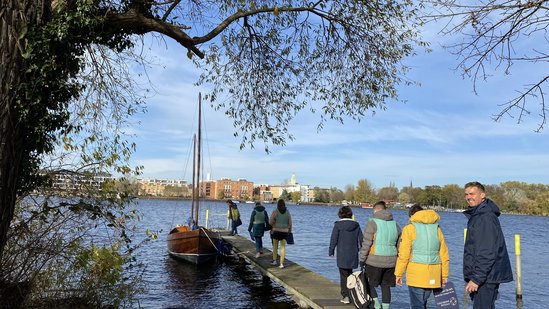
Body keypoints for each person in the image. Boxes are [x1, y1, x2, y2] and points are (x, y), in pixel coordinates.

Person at [463, 181, 513, 309]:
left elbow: (487, 251)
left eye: (472, 194)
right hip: (485, 276)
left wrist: (476, 278)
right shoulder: (478, 215)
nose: (469, 197)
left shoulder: (485, 217)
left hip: (486, 278)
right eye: (466, 194)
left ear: (482, 195)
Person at [395, 204, 450, 309]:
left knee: (417, 305)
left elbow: (404, 254)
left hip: (416, 274)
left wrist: (398, 274)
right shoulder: (437, 229)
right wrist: (444, 275)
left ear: (411, 215)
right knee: (423, 304)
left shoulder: (409, 228)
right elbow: (444, 254)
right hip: (434, 273)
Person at [359, 201, 401, 309]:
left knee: (368, 283)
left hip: (374, 260)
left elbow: (366, 243)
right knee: (386, 286)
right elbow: (399, 245)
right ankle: (386, 307)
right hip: (391, 262)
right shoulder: (395, 224)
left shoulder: (372, 223)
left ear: (376, 210)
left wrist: (362, 259)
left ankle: (376, 304)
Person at [329, 206, 363, 304]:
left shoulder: (338, 225)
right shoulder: (356, 225)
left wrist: (331, 251)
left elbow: (333, 239)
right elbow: (361, 239)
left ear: (340, 214)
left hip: (342, 254)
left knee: (343, 275)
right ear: (350, 214)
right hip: (353, 254)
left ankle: (346, 296)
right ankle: (352, 294)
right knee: (350, 273)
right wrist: (363, 251)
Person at [269, 199, 292, 269]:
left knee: (275, 247)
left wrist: (273, 224)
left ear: (278, 204)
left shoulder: (275, 211)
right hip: (284, 232)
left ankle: (274, 260)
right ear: (284, 204)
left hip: (276, 231)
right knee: (283, 248)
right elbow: (290, 223)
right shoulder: (287, 212)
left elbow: (270, 222)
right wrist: (289, 230)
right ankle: (281, 263)